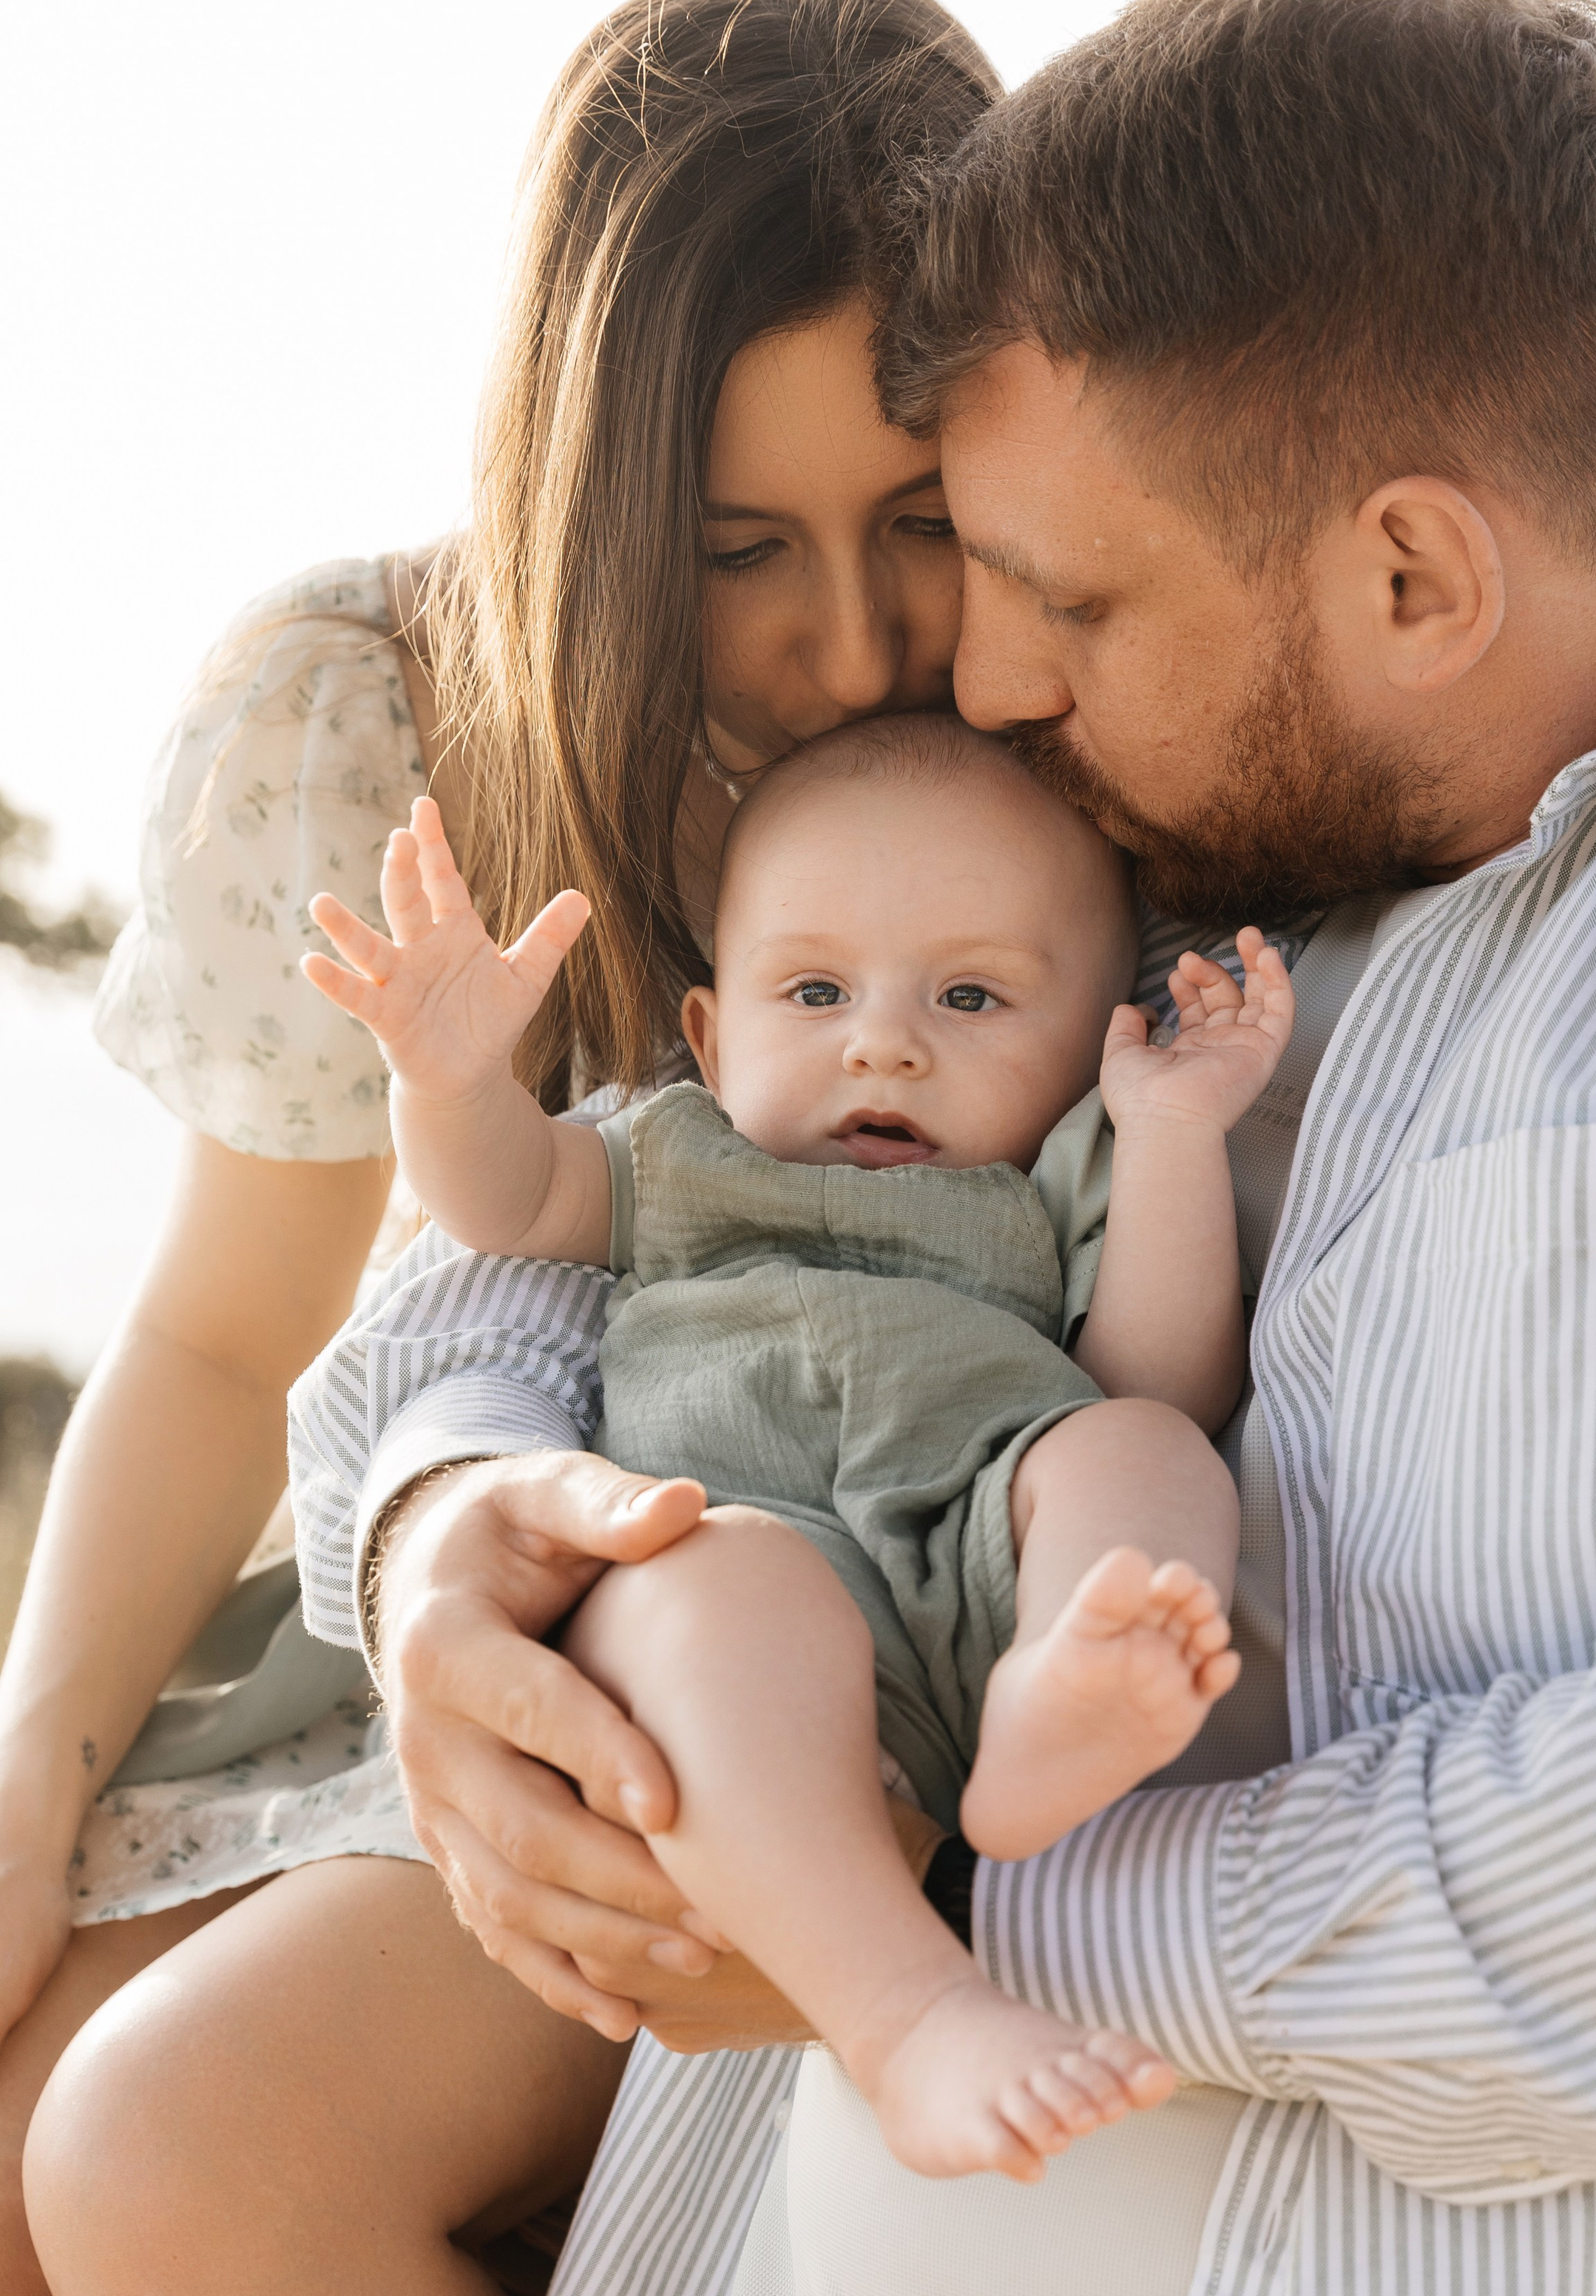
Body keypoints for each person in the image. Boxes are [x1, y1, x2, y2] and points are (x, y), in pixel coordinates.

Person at [269, 0, 1596, 2296]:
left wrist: (908, 1913)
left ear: (1418, 583)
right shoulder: (1212, 832)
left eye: (1063, 596)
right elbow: (579, 1233)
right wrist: (454, 1528)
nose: (974, 688)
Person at [4, 0, 1004, 2296]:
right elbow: (230, 1340)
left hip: (784, 1603)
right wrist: (33, 1767)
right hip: (400, 1623)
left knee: (181, 2160)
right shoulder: (370, 716)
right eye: (741, 540)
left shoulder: (1052, 704)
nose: (852, 634)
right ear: (589, 479)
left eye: (916, 521)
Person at [302, 721, 1292, 2176]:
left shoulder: (1050, 1179)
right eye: (813, 989)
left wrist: (1170, 1133)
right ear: (709, 1036)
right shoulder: (681, 1152)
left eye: (969, 996)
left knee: (1138, 1446)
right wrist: (450, 1082)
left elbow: (1157, 1370)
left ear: (1088, 1041)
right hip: (734, 1578)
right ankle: (910, 2021)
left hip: (982, 1545)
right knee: (711, 1577)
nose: (882, 1040)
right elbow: (503, 1201)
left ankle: (1049, 1706)